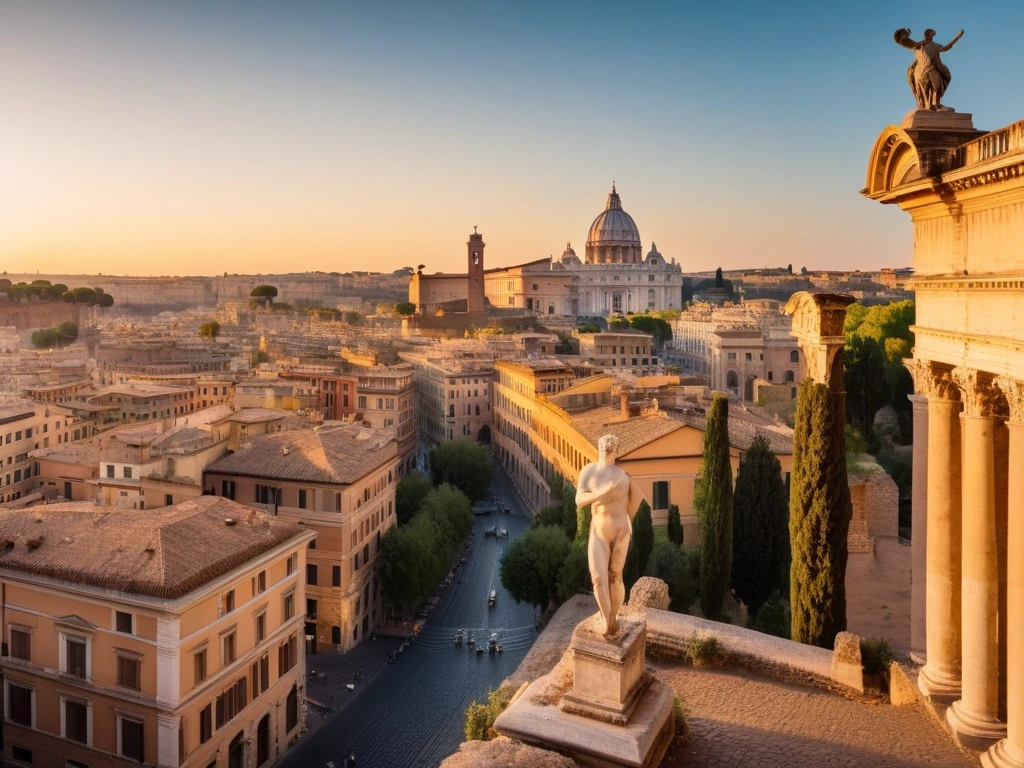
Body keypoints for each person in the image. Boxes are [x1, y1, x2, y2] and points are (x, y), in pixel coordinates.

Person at [575, 434, 642, 636]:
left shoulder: (624, 476)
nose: (607, 448)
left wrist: (630, 530)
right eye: (604, 444)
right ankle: (606, 619)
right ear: (599, 447)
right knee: (598, 578)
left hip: (621, 531)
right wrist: (601, 493)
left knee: (615, 577)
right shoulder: (588, 471)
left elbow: (635, 505)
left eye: (611, 445)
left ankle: (613, 618)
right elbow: (579, 500)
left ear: (616, 451)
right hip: (599, 531)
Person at [894, 28, 964, 111]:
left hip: (932, 69)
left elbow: (946, 48)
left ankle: (936, 104)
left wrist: (957, 37)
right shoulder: (920, 45)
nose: (931, 36)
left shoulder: (935, 46)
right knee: (925, 90)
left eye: (932, 34)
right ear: (926, 35)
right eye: (930, 34)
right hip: (921, 70)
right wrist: (903, 33)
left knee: (938, 87)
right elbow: (905, 42)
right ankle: (928, 106)